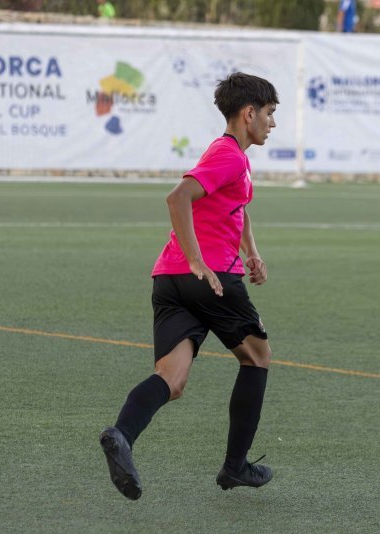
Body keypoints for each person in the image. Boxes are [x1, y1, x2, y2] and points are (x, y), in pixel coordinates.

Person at [99, 73, 278, 500]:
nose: (272, 123)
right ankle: (235, 466)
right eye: (270, 114)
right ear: (248, 113)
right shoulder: (228, 156)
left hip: (169, 279)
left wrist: (252, 251)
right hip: (210, 278)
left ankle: (121, 434)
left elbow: (235, 207)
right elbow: (177, 197)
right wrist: (198, 261)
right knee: (257, 357)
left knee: (172, 379)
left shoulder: (229, 156)